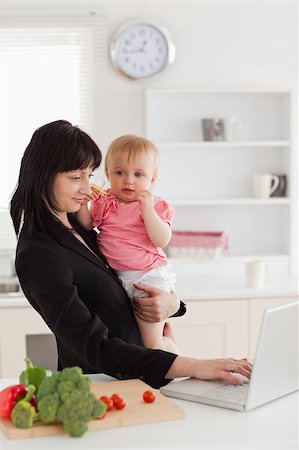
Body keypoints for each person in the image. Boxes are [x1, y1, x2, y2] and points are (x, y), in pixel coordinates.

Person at [10, 120, 252, 389]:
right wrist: (193, 364)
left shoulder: (80, 227)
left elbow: (126, 277)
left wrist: (172, 303)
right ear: (43, 174)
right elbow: (96, 347)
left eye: (89, 176)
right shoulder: (38, 253)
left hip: (141, 377)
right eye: (75, 177)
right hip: (101, 388)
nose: (88, 190)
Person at [76, 135, 178, 353]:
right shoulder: (105, 202)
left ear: (152, 180)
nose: (128, 180)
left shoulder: (155, 205)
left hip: (147, 276)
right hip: (119, 278)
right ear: (107, 174)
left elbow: (162, 240)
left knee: (151, 345)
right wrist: (84, 204)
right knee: (134, 340)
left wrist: (147, 211)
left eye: (138, 174)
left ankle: (169, 344)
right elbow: (87, 224)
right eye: (120, 173)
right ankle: (163, 339)